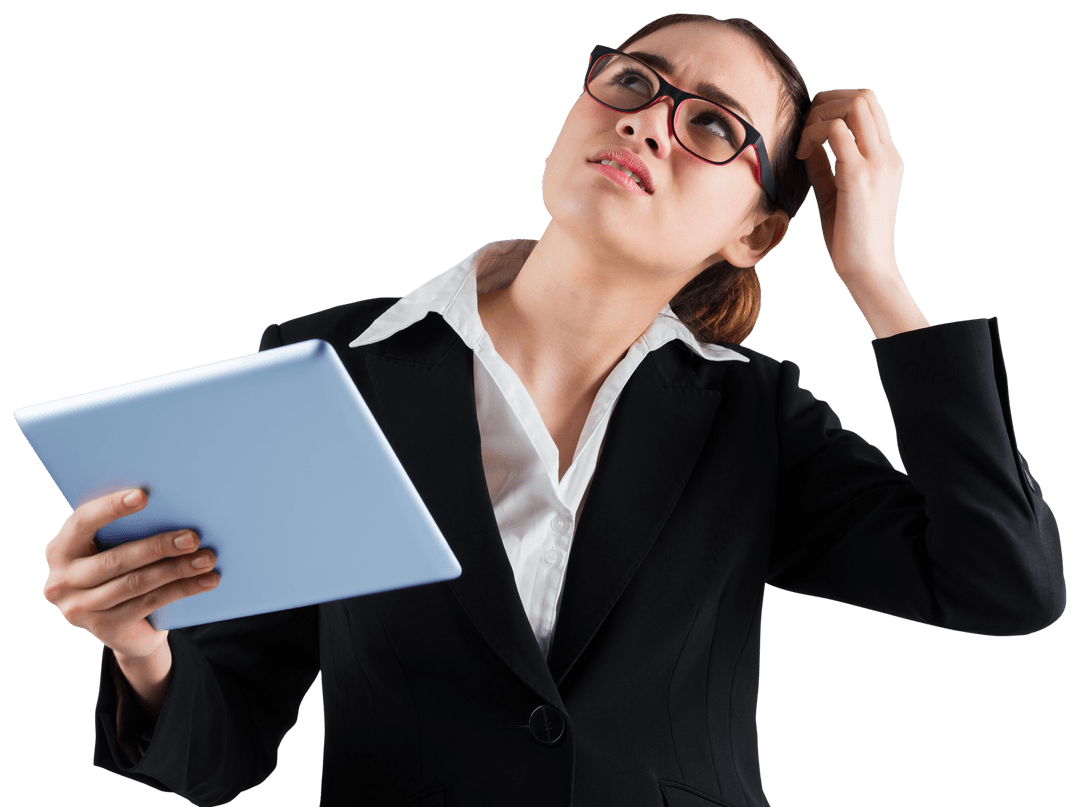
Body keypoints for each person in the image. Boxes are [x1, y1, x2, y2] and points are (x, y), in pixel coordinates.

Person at [41, 13, 1065, 807]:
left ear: (754, 235)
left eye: (712, 124)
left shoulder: (756, 416)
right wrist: (140, 648)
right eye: (633, 80)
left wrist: (879, 284)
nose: (649, 118)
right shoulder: (330, 371)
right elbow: (220, 750)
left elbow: (999, 584)